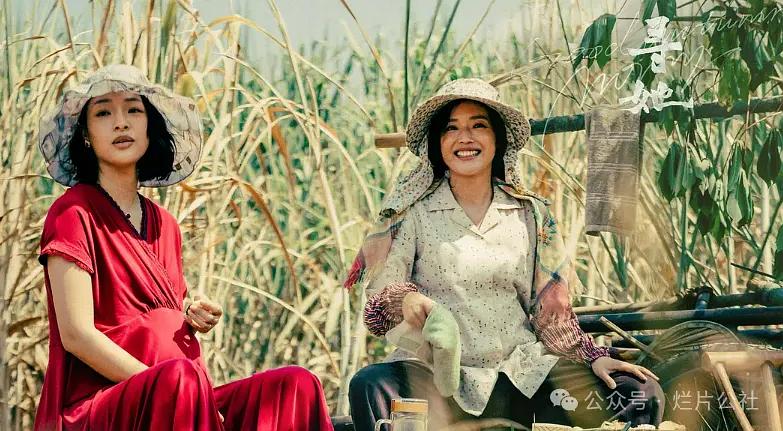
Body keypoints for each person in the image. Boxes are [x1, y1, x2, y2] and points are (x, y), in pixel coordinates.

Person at [346, 78, 665, 430]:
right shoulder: (414, 213)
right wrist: (405, 300)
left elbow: (551, 313)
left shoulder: (531, 214)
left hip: (519, 374)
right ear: (437, 143)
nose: (465, 138)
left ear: (498, 139)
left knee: (637, 392)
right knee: (370, 385)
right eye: (451, 128)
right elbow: (379, 303)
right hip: (436, 380)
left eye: (478, 126)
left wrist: (592, 357)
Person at [35, 64, 334, 431]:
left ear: (150, 125)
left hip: (183, 392)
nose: (121, 123)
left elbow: (162, 308)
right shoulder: (73, 212)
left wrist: (190, 311)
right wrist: (167, 386)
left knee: (295, 384)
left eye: (133, 110)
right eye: (103, 113)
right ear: (85, 135)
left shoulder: (165, 225)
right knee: (180, 378)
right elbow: (77, 335)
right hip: (105, 402)